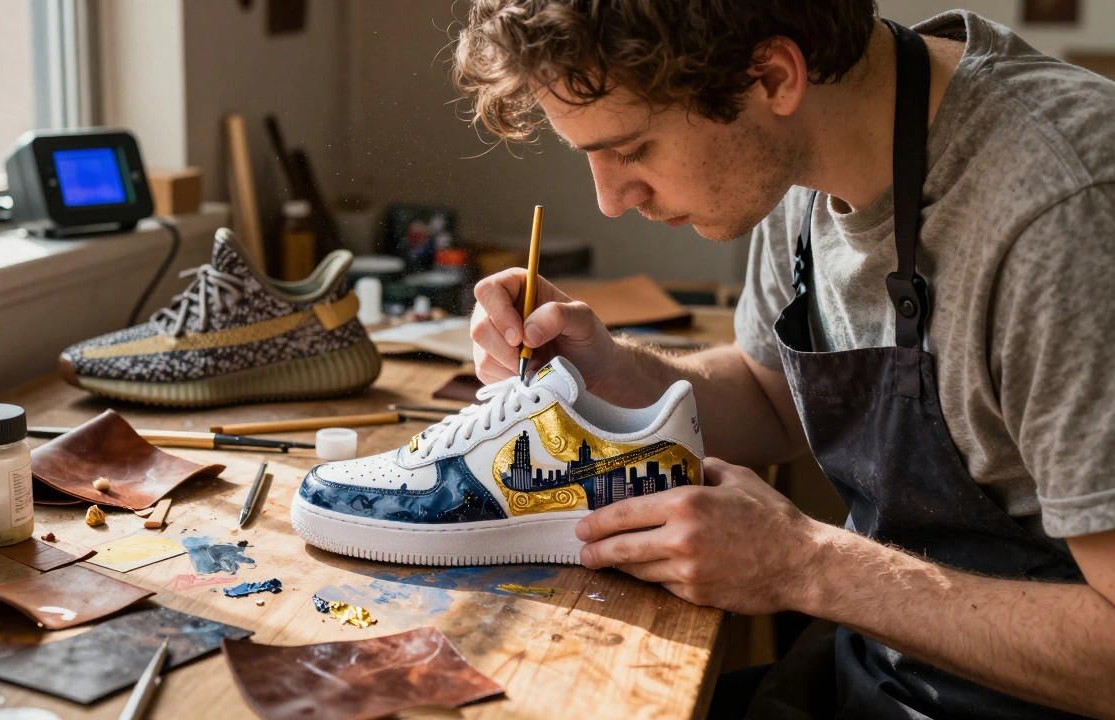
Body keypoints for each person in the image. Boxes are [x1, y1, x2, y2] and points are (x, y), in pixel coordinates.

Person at [451, 2, 1115, 718]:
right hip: (880, 674)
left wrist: (803, 565)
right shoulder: (797, 156)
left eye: (633, 149)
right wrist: (611, 372)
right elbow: (774, 399)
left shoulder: (1063, 217)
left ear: (771, 76)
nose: (611, 200)